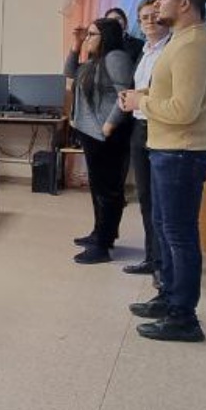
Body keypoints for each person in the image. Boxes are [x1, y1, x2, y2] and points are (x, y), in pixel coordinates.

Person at [118, 0, 206, 343]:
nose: (158, 3)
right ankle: (168, 297)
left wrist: (141, 102)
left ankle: (184, 316)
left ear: (184, 3)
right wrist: (143, 95)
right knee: (166, 228)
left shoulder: (194, 44)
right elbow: (174, 95)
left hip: (184, 150)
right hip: (171, 148)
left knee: (180, 235)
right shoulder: (182, 41)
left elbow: (184, 110)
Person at [70, 17, 136, 264]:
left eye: (92, 34)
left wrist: (109, 125)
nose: (88, 38)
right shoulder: (93, 61)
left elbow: (124, 95)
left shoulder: (116, 58)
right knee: (98, 187)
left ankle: (104, 245)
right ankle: (99, 233)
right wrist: (76, 45)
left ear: (106, 37)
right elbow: (69, 73)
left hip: (107, 134)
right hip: (91, 133)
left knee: (108, 190)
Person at [124, 0, 170, 278]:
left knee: (161, 200)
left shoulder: (172, 50)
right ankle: (152, 257)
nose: (150, 21)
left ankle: (164, 264)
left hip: (162, 127)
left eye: (154, 15)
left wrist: (139, 97)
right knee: (145, 197)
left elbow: (167, 91)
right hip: (140, 126)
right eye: (144, 18)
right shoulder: (144, 51)